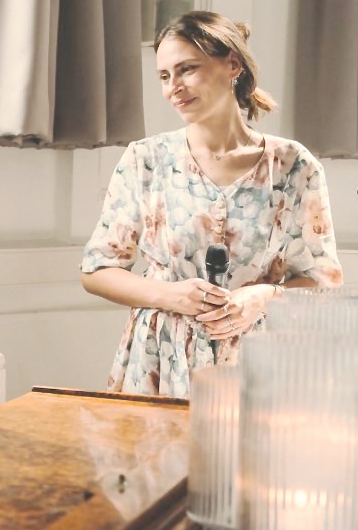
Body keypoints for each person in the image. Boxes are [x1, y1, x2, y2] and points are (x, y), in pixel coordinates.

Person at [80, 11, 342, 398]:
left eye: (187, 69)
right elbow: (97, 270)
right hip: (158, 361)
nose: (174, 87)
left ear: (233, 64)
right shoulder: (145, 160)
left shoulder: (293, 166)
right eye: (164, 76)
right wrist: (169, 295)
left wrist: (265, 297)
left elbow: (323, 280)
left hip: (258, 363)